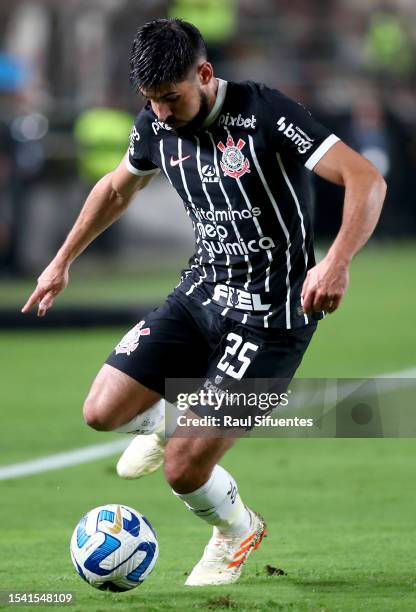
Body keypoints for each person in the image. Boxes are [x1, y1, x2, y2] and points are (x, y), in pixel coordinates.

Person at [22, 19, 386, 586]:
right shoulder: (154, 124)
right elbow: (117, 186)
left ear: (205, 74)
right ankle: (169, 418)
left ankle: (237, 530)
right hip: (201, 293)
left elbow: (367, 181)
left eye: (171, 97)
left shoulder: (266, 113)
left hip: (272, 317)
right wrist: (62, 259)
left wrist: (335, 262)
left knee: (183, 469)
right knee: (100, 411)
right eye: (152, 101)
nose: (162, 112)